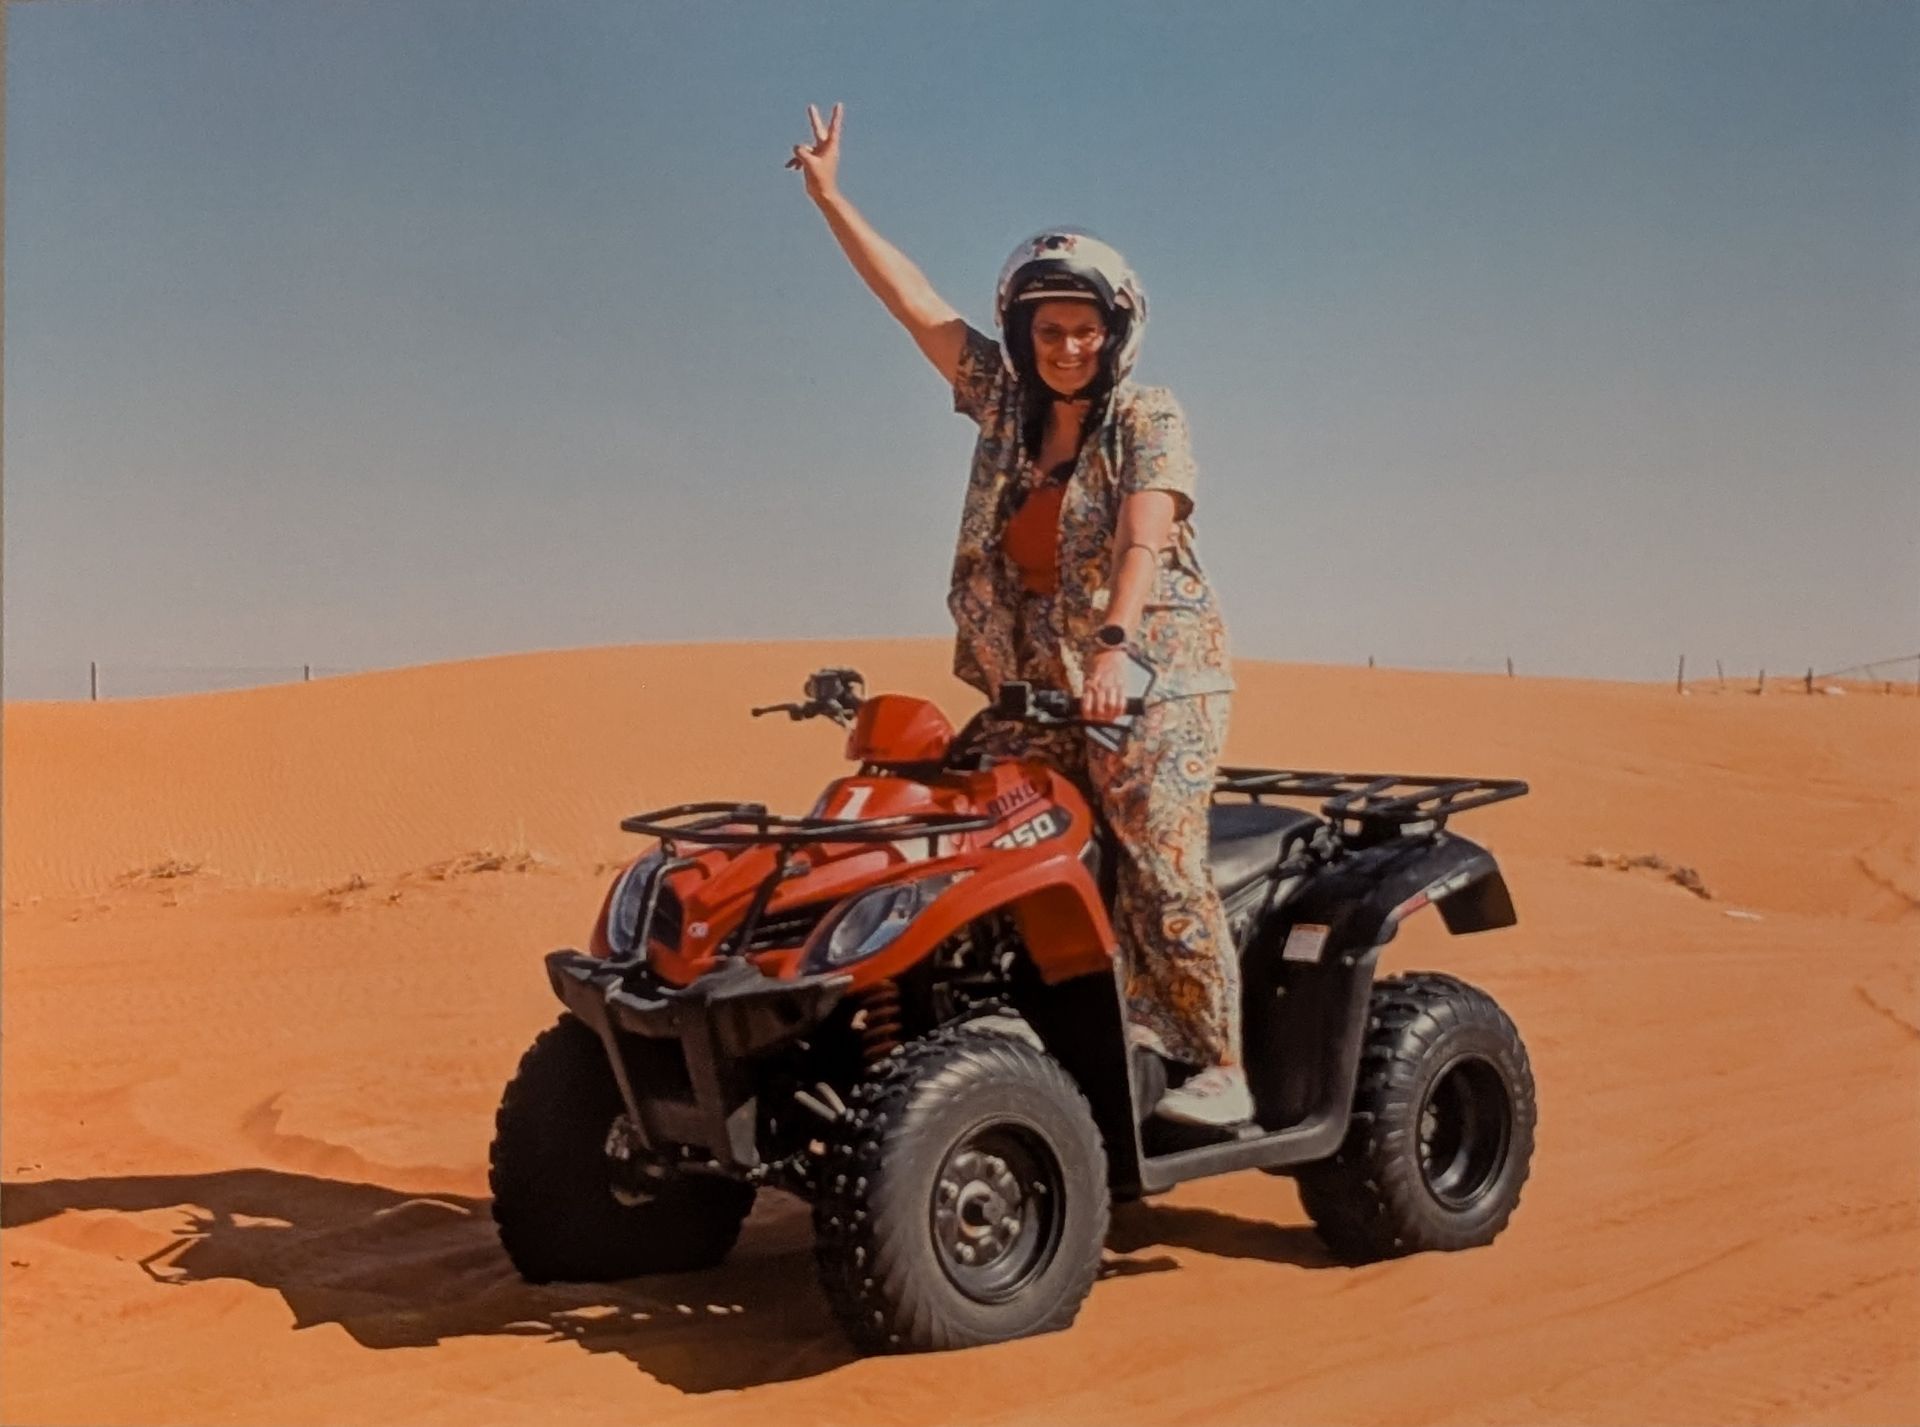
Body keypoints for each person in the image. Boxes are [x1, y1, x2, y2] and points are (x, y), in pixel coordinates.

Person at [787, 103, 1247, 1128]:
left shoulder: (1147, 415)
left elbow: (1144, 535)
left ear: (1114, 331)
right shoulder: (1003, 405)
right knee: (944, 802)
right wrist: (831, 199)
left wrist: (1118, 649)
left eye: (1085, 329)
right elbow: (913, 305)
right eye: (1050, 329)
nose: (1069, 346)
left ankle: (1216, 1057)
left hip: (1154, 679)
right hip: (1041, 688)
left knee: (1157, 846)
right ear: (1023, 333)